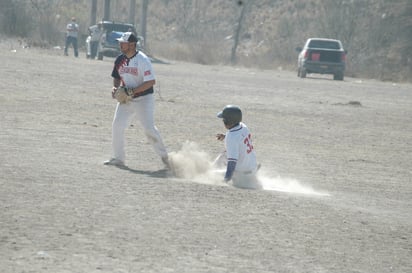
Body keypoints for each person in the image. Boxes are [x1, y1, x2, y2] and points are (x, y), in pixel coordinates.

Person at [104, 32, 169, 169]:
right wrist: (115, 88)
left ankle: (166, 159)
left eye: (123, 42)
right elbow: (116, 76)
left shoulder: (142, 60)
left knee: (149, 129)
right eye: (120, 42)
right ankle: (118, 158)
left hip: (144, 99)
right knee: (117, 126)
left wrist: (132, 91)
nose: (120, 44)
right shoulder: (119, 59)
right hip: (126, 99)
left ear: (132, 45)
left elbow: (151, 81)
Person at [214, 105, 261, 189]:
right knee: (228, 151)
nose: (222, 121)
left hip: (242, 175)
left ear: (227, 121)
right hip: (252, 165)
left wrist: (226, 180)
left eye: (223, 119)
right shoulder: (243, 126)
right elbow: (239, 139)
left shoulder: (231, 138)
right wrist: (225, 136)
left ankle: (212, 169)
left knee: (212, 174)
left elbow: (232, 162)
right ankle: (253, 171)